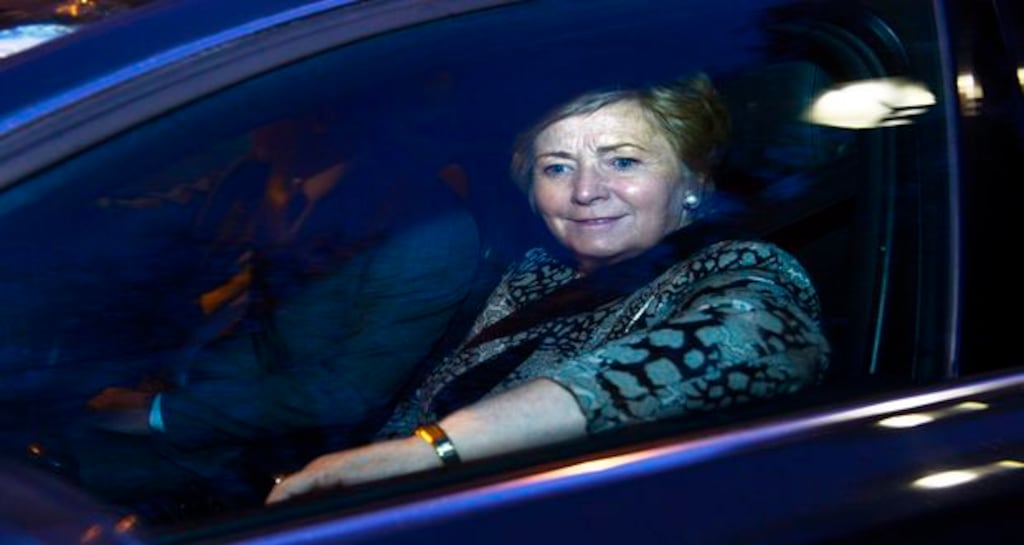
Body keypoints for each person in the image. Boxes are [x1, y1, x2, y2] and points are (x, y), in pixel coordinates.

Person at [266, 74, 830, 503]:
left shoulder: (737, 266)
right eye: (557, 168)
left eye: (623, 161)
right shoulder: (532, 276)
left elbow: (751, 343)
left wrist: (428, 453)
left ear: (693, 181)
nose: (586, 191)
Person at [75, 114, 481, 511]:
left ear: (322, 117)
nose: (253, 122)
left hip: (257, 448)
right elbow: (176, 214)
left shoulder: (424, 230)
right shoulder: (261, 174)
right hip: (188, 377)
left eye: (271, 111)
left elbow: (348, 391)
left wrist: (162, 413)